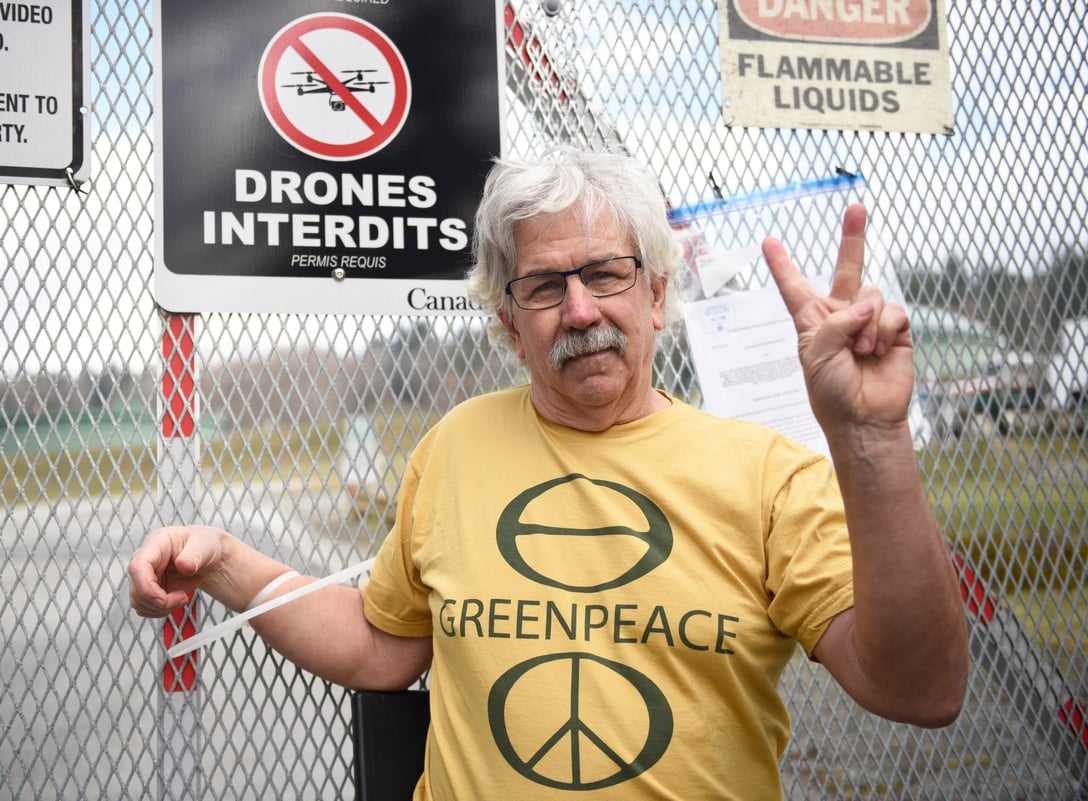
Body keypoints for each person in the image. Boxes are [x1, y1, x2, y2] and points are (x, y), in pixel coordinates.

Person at [129, 147, 968, 800]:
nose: (579, 308)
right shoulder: (454, 445)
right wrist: (225, 562)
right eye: (542, 285)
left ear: (657, 295)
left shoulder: (768, 476)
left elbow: (922, 688)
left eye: (606, 272)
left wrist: (873, 438)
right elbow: (383, 646)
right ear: (508, 322)